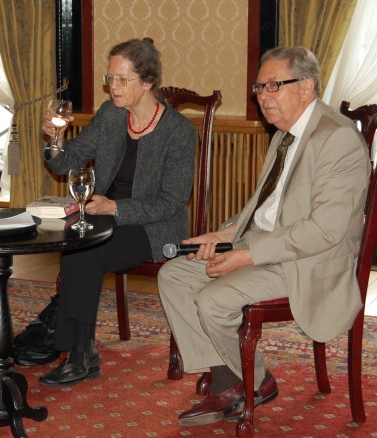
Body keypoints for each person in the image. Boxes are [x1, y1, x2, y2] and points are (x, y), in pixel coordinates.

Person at [157, 46, 370, 427]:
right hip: (267, 246)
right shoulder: (284, 136)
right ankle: (242, 379)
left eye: (274, 85)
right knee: (174, 275)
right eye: (259, 87)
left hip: (307, 261)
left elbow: (325, 229)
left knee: (213, 299)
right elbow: (264, 206)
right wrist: (224, 235)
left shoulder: (336, 139)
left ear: (306, 88)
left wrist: (247, 254)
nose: (263, 97)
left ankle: (242, 383)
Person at [34, 37, 196, 386]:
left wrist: (115, 207)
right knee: (80, 244)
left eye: (122, 80)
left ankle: (77, 352)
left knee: (85, 248)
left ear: (148, 81)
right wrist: (55, 138)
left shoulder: (178, 132)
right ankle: (79, 351)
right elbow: (65, 162)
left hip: (154, 227)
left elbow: (172, 200)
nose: (113, 88)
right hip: (104, 217)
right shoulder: (110, 115)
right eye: (110, 78)